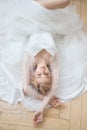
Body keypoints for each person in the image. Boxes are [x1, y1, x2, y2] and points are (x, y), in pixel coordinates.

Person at [0, 0, 87, 125]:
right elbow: (54, 85)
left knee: (64, 2)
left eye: (39, 75)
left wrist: (41, 105)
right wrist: (47, 101)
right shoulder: (53, 60)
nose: (43, 71)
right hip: (45, 20)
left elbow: (26, 88)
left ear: (33, 74)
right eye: (47, 75)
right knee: (65, 2)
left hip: (31, 18)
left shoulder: (29, 59)